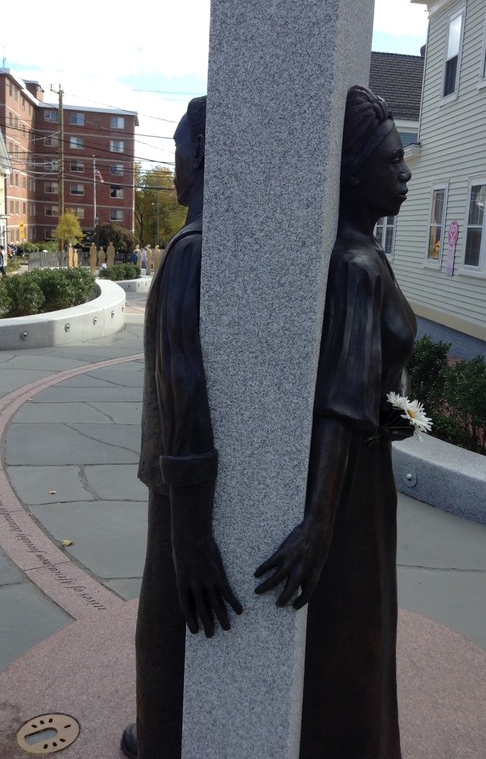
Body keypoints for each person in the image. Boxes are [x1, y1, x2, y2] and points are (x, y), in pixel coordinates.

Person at [254, 85, 416, 759]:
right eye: (390, 163)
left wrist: (391, 412)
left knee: (365, 634)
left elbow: (360, 397)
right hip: (347, 494)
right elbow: (336, 404)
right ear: (354, 175)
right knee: (354, 639)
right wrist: (318, 524)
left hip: (363, 477)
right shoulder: (354, 268)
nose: (405, 174)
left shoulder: (370, 259)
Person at [121, 96, 242, 759]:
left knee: (162, 621)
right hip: (174, 478)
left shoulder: (190, 251)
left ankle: (159, 741)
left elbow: (185, 390)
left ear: (202, 159)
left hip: (176, 485)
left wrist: (190, 536)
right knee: (165, 620)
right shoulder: (217, 251)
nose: (174, 175)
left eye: (179, 158)